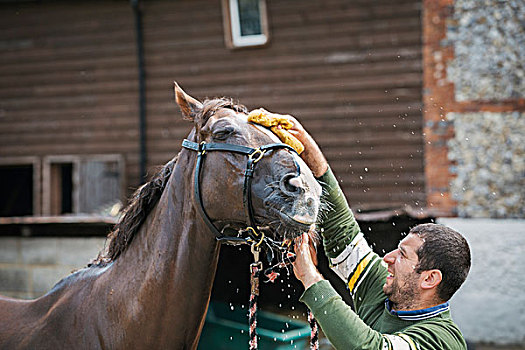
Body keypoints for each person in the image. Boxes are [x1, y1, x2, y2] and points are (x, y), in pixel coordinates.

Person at [259, 109, 472, 350]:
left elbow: (368, 347)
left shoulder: (441, 340)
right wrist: (308, 149)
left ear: (430, 278)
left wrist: (310, 276)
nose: (387, 258)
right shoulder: (385, 290)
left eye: (402, 255)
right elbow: (342, 233)